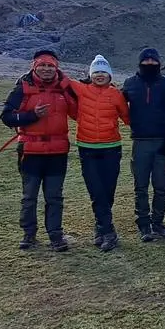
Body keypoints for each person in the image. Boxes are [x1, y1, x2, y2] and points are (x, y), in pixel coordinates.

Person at [0, 48, 78, 251]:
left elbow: (78, 112)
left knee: (54, 197)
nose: (46, 69)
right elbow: (7, 116)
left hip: (57, 151)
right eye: (42, 65)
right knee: (29, 196)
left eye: (50, 65)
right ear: (34, 66)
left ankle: (55, 236)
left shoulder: (64, 87)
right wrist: (32, 116)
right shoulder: (23, 87)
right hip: (30, 151)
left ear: (56, 68)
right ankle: (29, 235)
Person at [121, 47, 165, 242]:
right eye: (145, 61)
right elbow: (113, 101)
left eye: (153, 61)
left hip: (162, 143)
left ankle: (157, 222)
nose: (149, 63)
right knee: (140, 186)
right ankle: (144, 224)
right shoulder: (129, 84)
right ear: (140, 63)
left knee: (161, 186)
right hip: (140, 143)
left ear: (159, 63)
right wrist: (91, 86)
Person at [71, 54, 131, 251]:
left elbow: (127, 117)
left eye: (103, 72)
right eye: (96, 72)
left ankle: (101, 227)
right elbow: (59, 79)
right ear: (90, 75)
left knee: (108, 190)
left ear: (109, 75)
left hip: (111, 148)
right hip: (87, 147)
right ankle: (108, 231)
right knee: (96, 190)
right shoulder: (81, 89)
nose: (99, 75)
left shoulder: (116, 94)